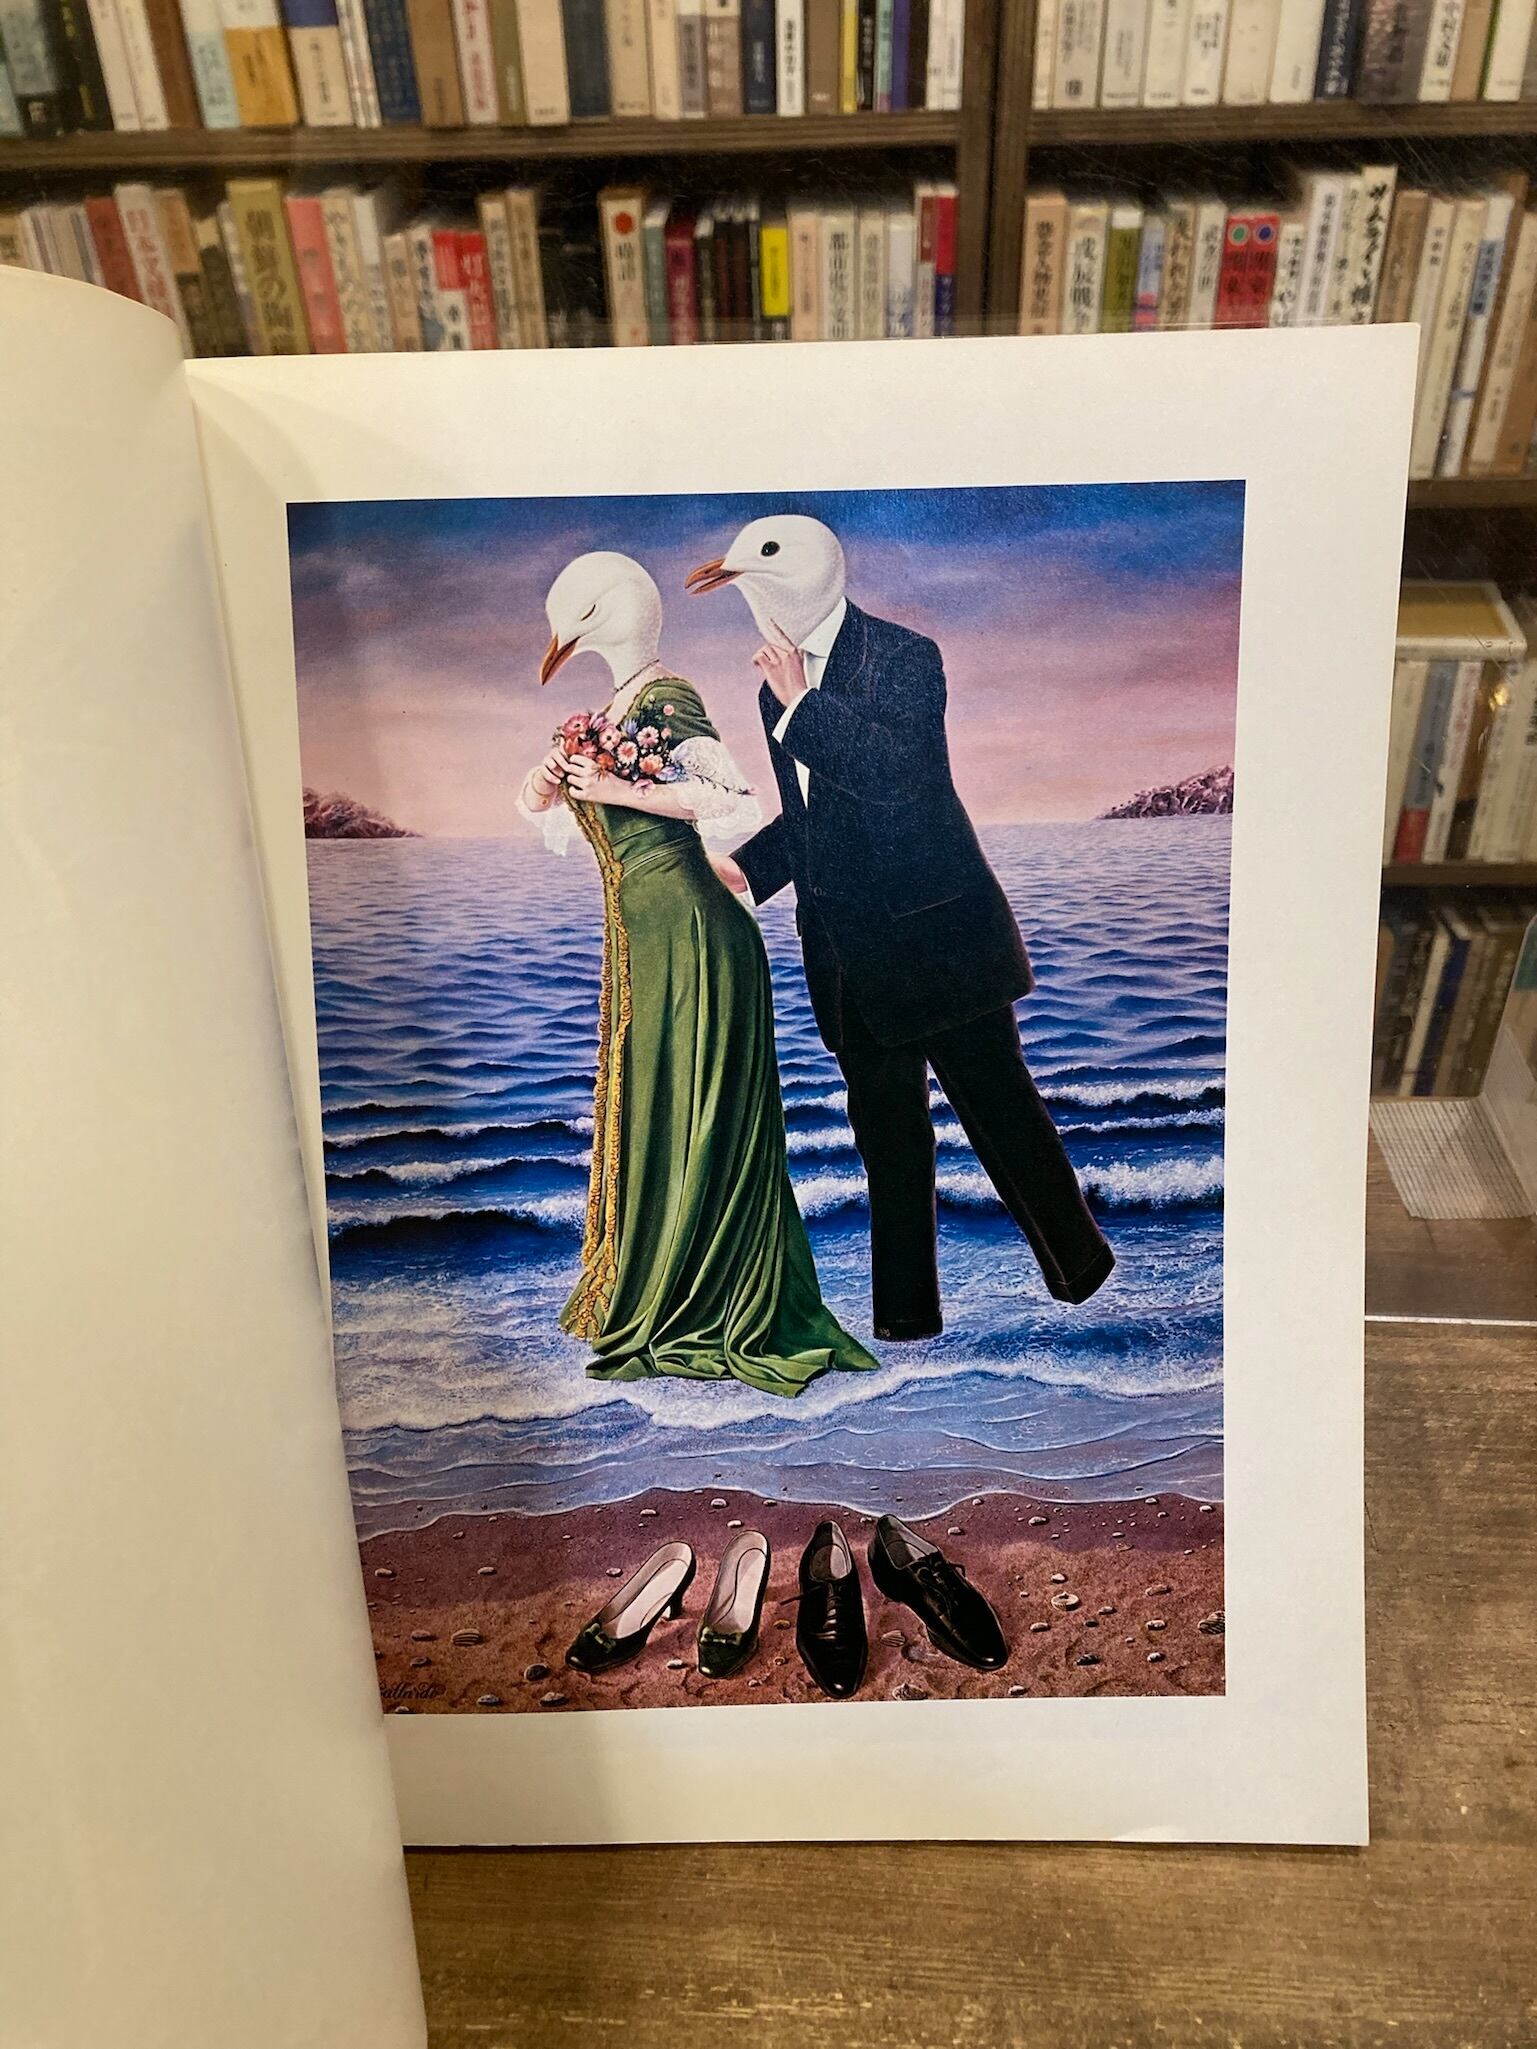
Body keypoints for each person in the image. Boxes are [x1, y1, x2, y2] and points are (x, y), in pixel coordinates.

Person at [686, 515, 1113, 1340]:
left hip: (937, 939)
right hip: (847, 952)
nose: (739, 583)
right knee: (886, 1138)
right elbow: (814, 816)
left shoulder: (904, 656)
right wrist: (747, 871)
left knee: (1000, 1110)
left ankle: (1081, 1268)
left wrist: (801, 702)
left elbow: (898, 779)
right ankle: (906, 1318)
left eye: (755, 566)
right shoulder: (777, 686)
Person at [519, 549, 876, 1396]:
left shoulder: (665, 698)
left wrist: (616, 787)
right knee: (661, 1109)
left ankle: (703, 1304)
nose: (559, 645)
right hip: (647, 942)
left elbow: (733, 800)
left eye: (574, 622)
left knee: (695, 1113)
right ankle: (661, 1288)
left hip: (694, 938)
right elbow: (560, 812)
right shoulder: (613, 709)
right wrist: (546, 783)